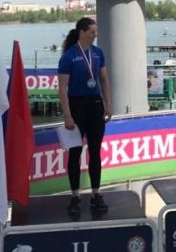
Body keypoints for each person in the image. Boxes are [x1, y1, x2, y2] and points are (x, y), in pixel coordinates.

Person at [58, 17, 113, 215]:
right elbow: (62, 89)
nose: (95, 35)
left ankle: (96, 193)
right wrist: (67, 115)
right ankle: (75, 195)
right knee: (75, 153)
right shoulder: (69, 56)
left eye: (96, 32)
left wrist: (108, 104)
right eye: (92, 32)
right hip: (76, 105)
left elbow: (104, 80)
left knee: (95, 151)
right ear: (81, 32)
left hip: (95, 105)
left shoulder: (98, 53)